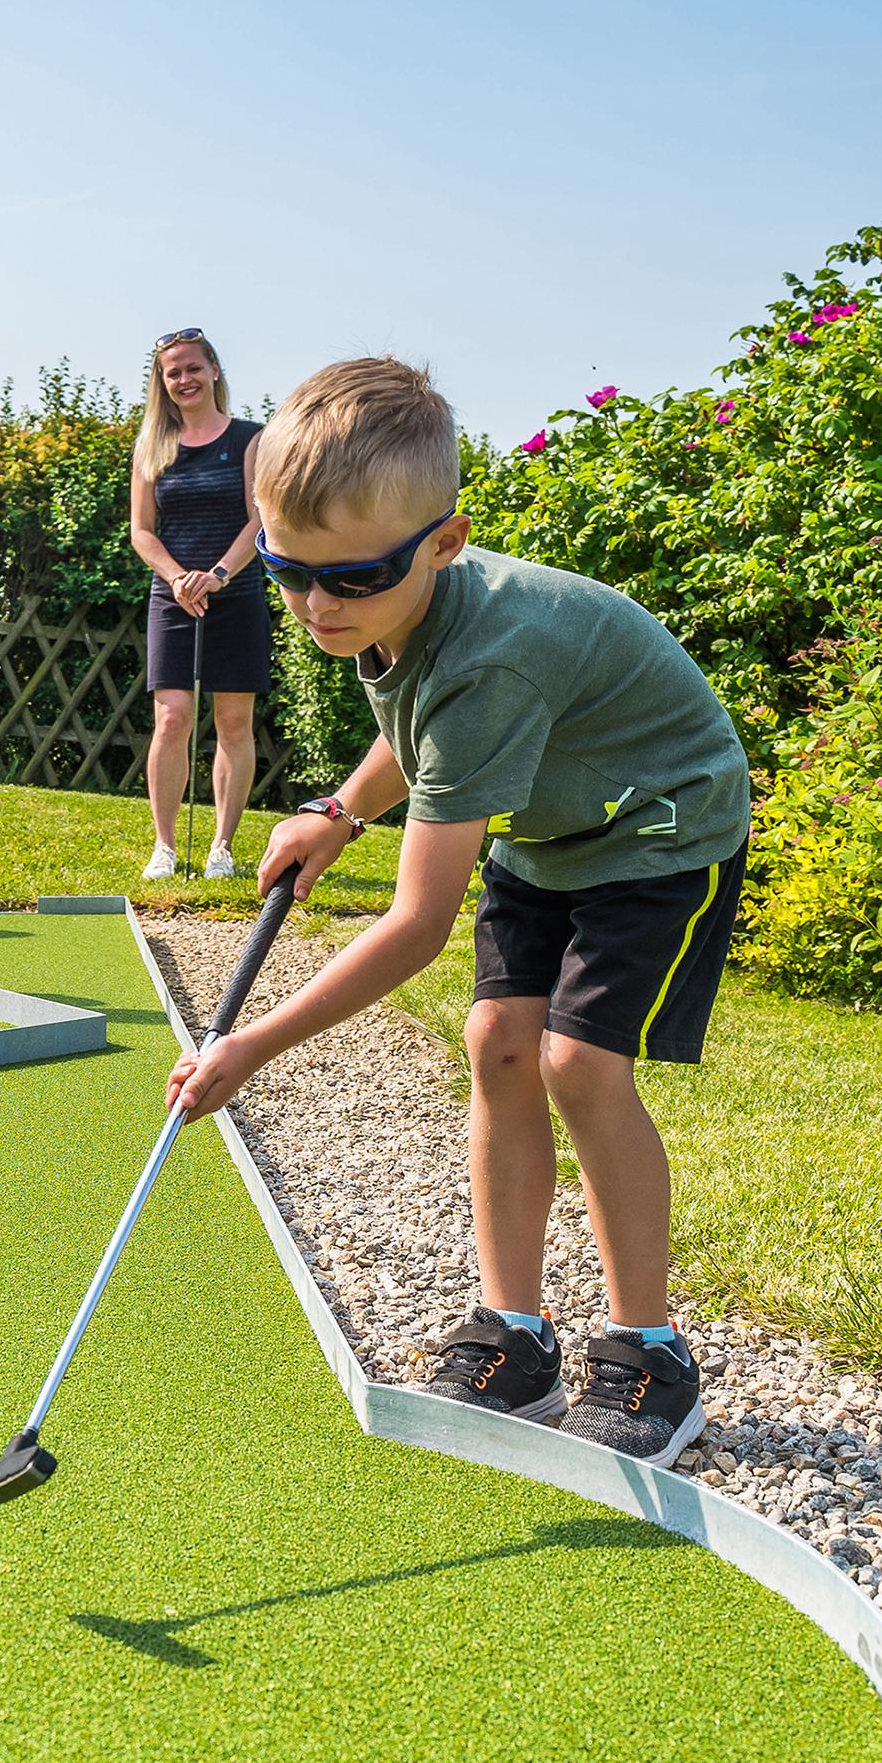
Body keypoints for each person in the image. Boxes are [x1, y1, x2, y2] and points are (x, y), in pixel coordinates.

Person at [163, 358, 751, 1471]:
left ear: (443, 543)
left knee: (580, 1061)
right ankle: (516, 1335)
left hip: (661, 824)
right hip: (549, 826)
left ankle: (650, 1352)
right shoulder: (386, 609)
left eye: (352, 576)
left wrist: (250, 1047)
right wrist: (341, 809)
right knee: (496, 1042)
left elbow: (418, 924)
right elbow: (424, 729)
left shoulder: (497, 655)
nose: (318, 605)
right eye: (288, 571)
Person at [126, 327, 270, 882]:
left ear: (213, 370)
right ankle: (164, 847)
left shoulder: (251, 438)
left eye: (192, 368)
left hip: (235, 593)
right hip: (174, 597)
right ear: (161, 383)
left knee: (233, 722)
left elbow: (260, 520)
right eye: (173, 372)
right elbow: (142, 532)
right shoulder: (151, 447)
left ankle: (222, 848)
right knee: (171, 718)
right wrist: (179, 578)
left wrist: (218, 575)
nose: (184, 379)